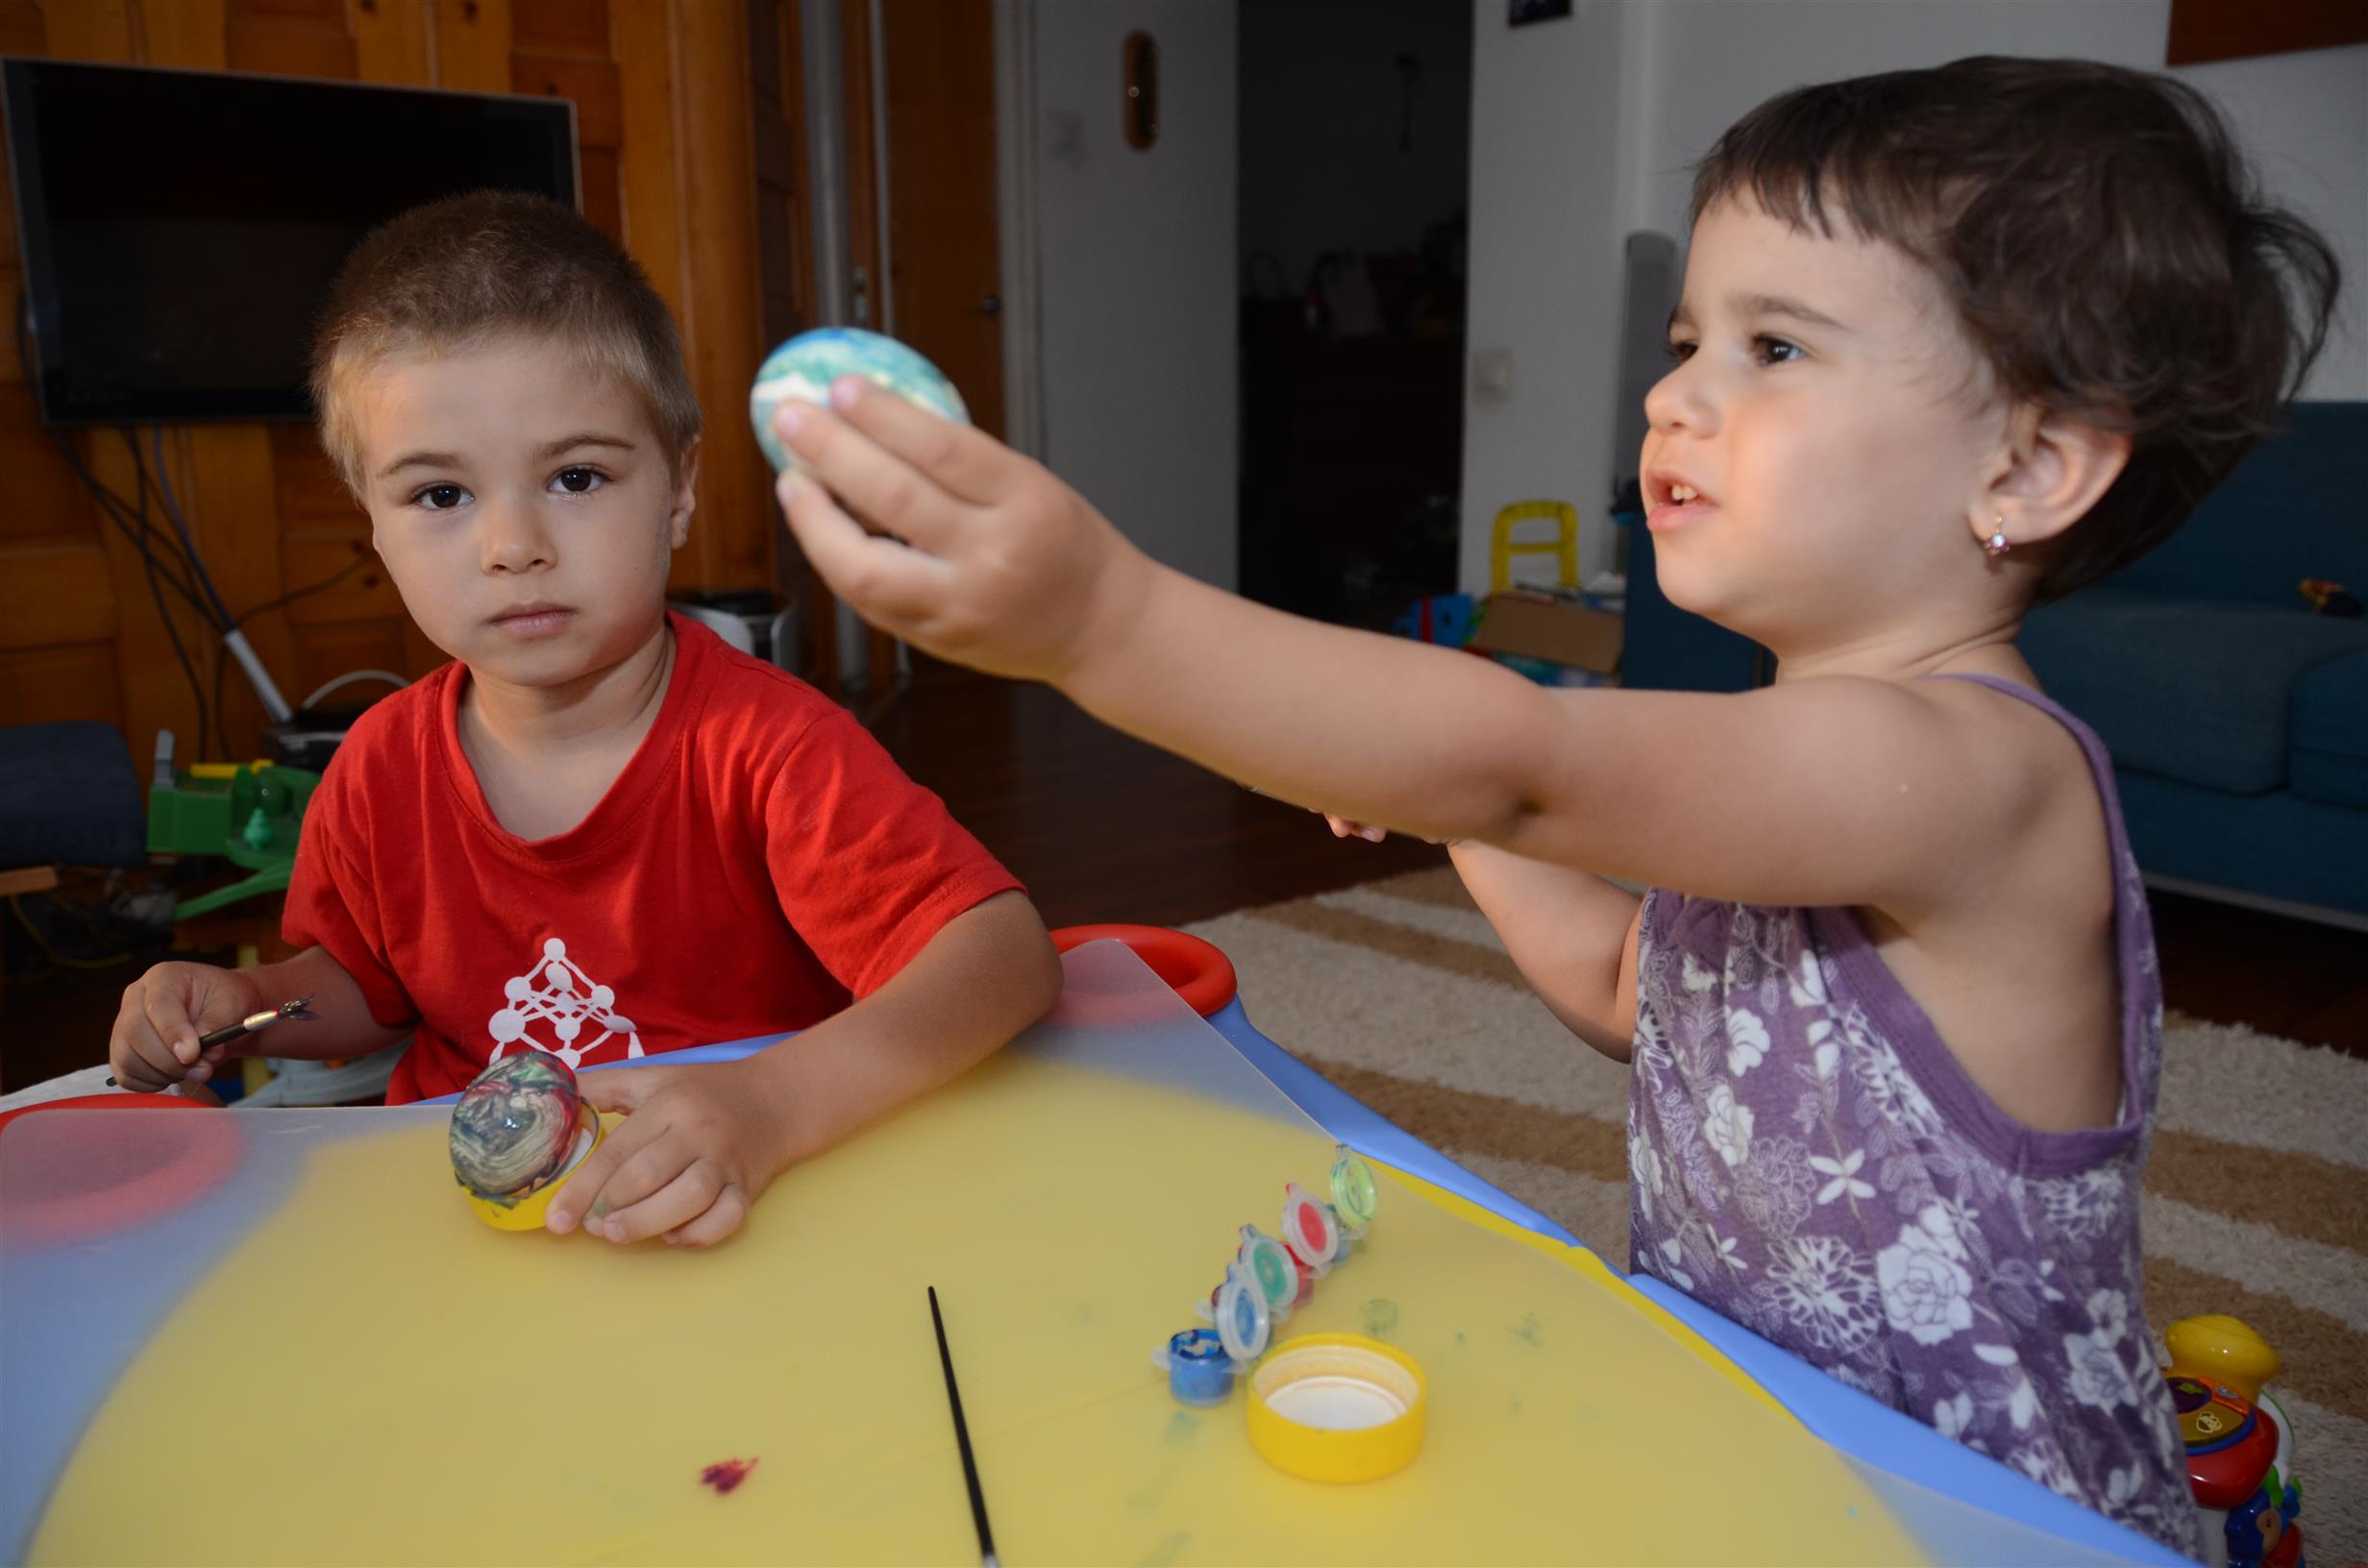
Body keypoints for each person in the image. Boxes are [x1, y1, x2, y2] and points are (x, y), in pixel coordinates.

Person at [766, 58, 2337, 1551]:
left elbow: (1528, 759)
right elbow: (1624, 988)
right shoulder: (1781, 768)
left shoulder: (1973, 771)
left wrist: (1100, 621)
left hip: (1979, 1518)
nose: (1672, 396)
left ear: (2031, 467)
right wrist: (1460, 814)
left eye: (1773, 349)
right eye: (1685, 339)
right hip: (1768, 1448)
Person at [108, 191, 1063, 1249]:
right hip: (479, 1239)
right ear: (370, 519)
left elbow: (1003, 957)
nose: (513, 545)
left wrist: (770, 1105)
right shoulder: (377, 765)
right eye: (440, 496)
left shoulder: (771, 749)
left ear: (679, 489)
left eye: (575, 477)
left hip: (734, 1216)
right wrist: (245, 1005)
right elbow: (365, 988)